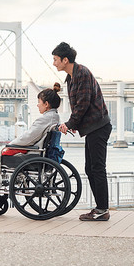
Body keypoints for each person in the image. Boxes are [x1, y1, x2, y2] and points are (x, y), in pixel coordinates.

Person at [0, 83, 62, 203]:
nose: (37, 104)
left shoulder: (45, 119)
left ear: (46, 104)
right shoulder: (54, 117)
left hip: (32, 155)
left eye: (39, 102)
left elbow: (28, 137)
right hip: (39, 154)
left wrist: (11, 144)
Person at [52, 42, 112, 221]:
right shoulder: (71, 78)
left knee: (97, 168)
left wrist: (70, 123)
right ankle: (100, 208)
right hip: (92, 128)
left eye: (55, 59)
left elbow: (83, 104)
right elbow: (80, 106)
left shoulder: (82, 74)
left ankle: (102, 210)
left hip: (99, 126)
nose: (54, 63)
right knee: (90, 168)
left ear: (65, 59)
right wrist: (72, 124)